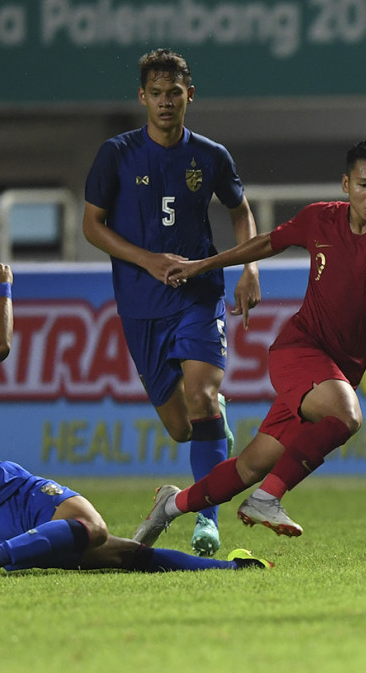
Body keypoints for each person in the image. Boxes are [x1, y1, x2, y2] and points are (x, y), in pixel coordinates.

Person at [0, 263, 271, 577]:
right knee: (90, 525)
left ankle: (232, 570)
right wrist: (3, 286)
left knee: (122, 553)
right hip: (13, 495)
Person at [131, 138, 366, 547]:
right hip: (299, 350)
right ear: (346, 184)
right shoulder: (320, 219)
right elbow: (265, 242)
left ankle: (170, 505)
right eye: (363, 184)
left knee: (250, 466)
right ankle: (268, 498)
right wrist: (205, 265)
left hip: (338, 372)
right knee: (347, 417)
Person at [82, 48, 262, 556]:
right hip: (141, 303)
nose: (165, 102)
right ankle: (213, 423)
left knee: (202, 396)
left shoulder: (210, 156)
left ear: (190, 95)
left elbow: (240, 210)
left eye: (174, 93)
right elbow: (91, 226)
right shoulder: (115, 154)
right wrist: (146, 259)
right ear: (143, 97)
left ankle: (208, 522)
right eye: (156, 94)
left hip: (199, 295)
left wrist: (249, 267)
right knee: (183, 428)